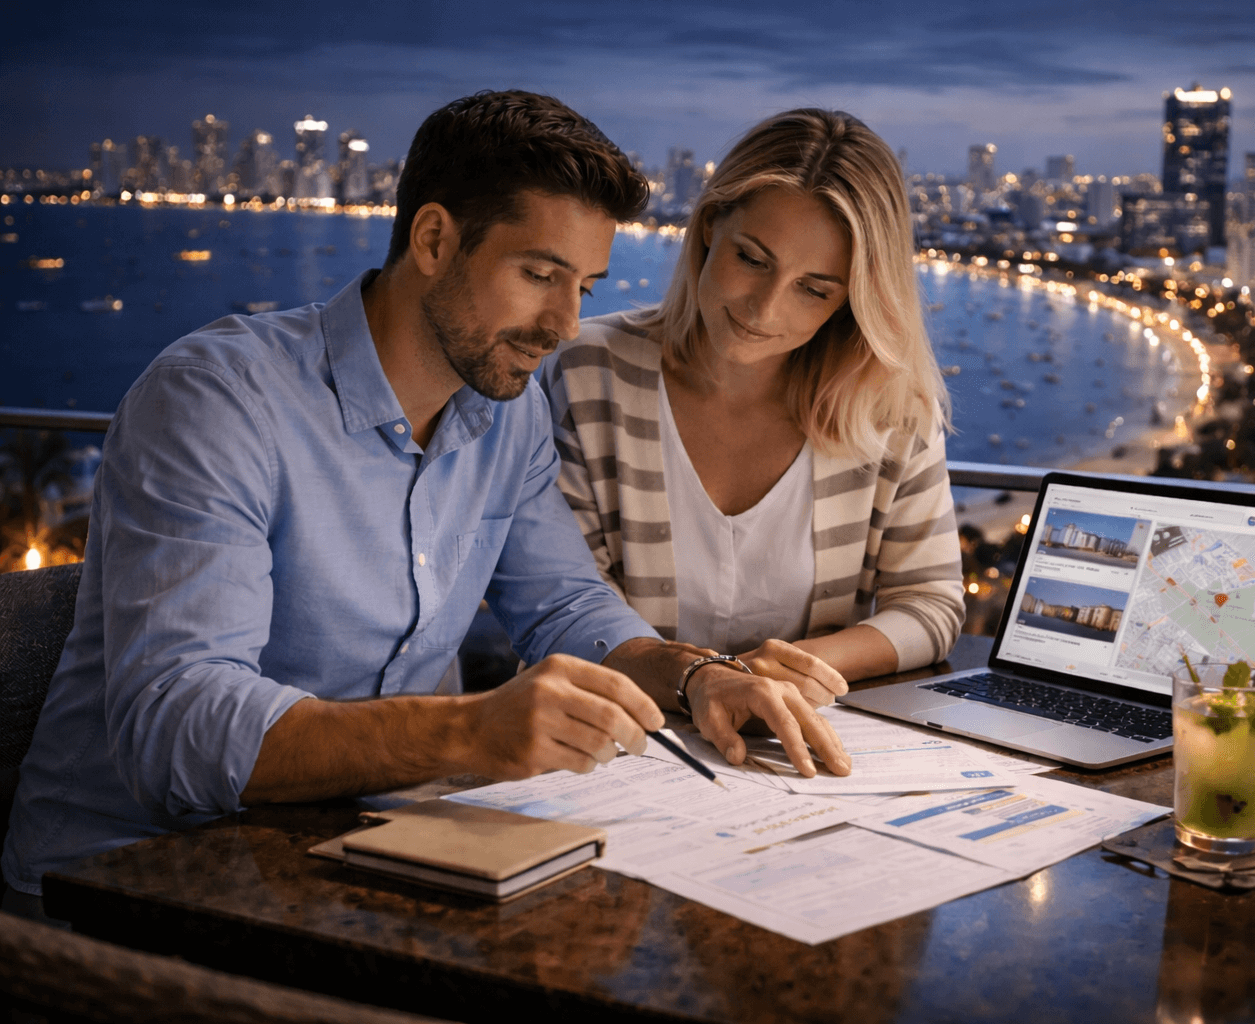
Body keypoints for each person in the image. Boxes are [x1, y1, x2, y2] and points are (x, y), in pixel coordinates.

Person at [2, 90, 848, 919]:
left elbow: (565, 603)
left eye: (583, 288)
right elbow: (175, 729)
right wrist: (466, 731)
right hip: (123, 891)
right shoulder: (217, 402)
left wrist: (694, 674)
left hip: (345, 864)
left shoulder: (505, 414)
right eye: (539, 274)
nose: (562, 325)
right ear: (436, 239)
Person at [541, 108, 965, 767]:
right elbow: (566, 606)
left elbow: (932, 606)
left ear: (853, 298)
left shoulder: (891, 408)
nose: (766, 310)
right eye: (752, 259)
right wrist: (708, 678)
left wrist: (790, 671)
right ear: (710, 228)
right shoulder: (584, 373)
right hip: (609, 752)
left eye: (813, 289)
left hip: (793, 758)